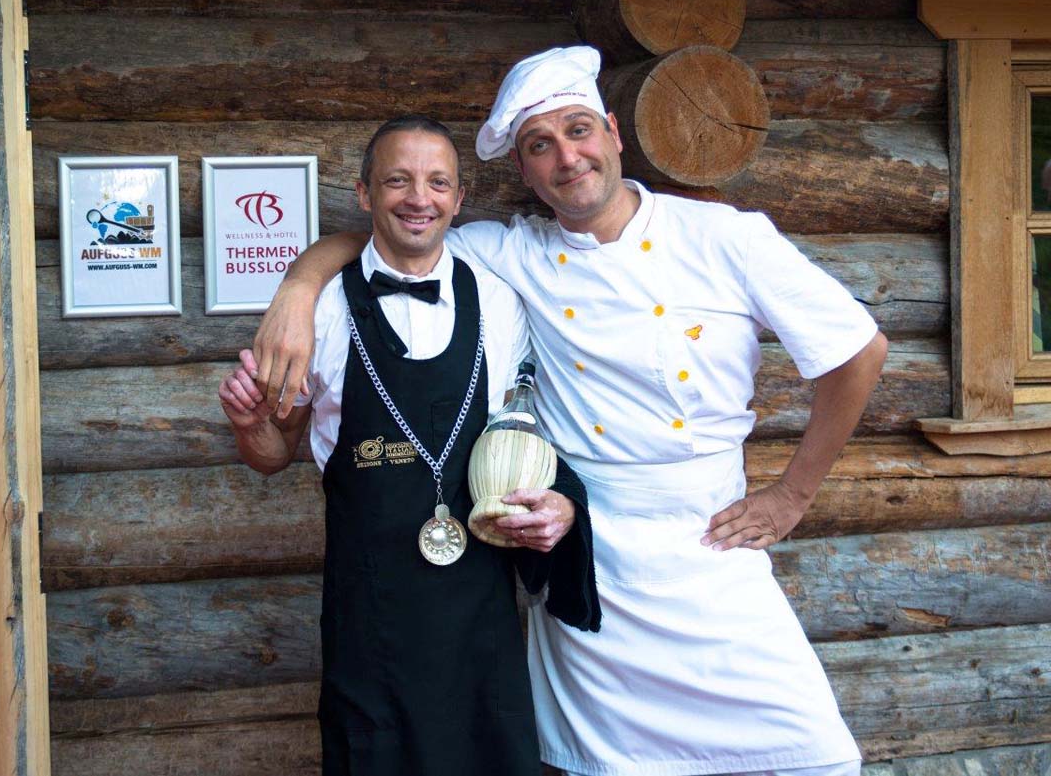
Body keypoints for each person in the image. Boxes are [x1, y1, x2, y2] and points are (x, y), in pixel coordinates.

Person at [251, 47, 889, 776]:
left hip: (711, 543)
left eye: (579, 130)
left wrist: (792, 495)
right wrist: (298, 288)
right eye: (539, 145)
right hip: (590, 554)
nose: (567, 157)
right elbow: (391, 243)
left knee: (819, 758)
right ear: (524, 172)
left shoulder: (726, 237)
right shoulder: (510, 252)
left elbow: (859, 351)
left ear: (613, 132)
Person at [218, 115, 600, 776]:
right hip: (370, 627)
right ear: (364, 193)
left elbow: (522, 432)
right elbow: (275, 453)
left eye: (438, 182)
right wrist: (251, 425)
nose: (419, 198)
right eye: (398, 180)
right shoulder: (321, 310)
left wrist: (557, 504)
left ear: (458, 197)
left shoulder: (501, 303)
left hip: (481, 620)